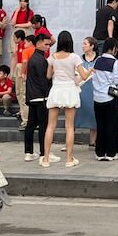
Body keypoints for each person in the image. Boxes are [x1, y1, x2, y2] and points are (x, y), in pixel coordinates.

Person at [41, 32, 93, 168]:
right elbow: (83, 75)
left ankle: (46, 158)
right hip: (69, 90)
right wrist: (90, 71)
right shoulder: (74, 57)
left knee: (50, 126)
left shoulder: (52, 57)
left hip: (56, 89)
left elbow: (48, 75)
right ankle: (69, 159)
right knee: (69, 126)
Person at [24, 33, 57, 162]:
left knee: (31, 125)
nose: (48, 47)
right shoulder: (40, 60)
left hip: (32, 96)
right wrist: (49, 94)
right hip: (41, 97)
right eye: (46, 44)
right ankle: (44, 153)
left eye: (49, 44)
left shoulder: (34, 58)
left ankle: (28, 152)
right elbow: (43, 80)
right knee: (44, 126)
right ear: (38, 43)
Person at [92, 39, 118, 161]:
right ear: (112, 48)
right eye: (116, 48)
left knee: (100, 125)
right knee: (111, 125)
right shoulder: (115, 63)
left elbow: (94, 78)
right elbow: (116, 80)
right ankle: (111, 153)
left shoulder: (97, 60)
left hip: (97, 98)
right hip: (110, 98)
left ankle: (100, 152)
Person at [76, 37, 98, 145]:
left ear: (92, 46)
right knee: (75, 114)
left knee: (94, 114)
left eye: (85, 44)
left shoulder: (99, 60)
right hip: (81, 89)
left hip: (94, 90)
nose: (83, 46)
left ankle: (92, 141)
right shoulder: (79, 60)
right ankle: (69, 142)